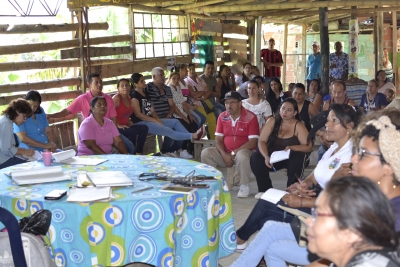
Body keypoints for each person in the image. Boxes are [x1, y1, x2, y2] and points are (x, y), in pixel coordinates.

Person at [235, 104, 359, 254]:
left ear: (349, 127)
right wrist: (304, 185)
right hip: (316, 200)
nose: (327, 124)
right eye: (328, 120)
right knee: (264, 219)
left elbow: (339, 201)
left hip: (325, 213)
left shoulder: (351, 157)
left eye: (334, 120)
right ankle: (265, 253)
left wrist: (301, 201)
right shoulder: (334, 147)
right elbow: (315, 175)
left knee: (265, 204)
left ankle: (239, 239)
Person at [47, 73, 135, 154]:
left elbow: (113, 118)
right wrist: (52, 115)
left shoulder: (108, 99)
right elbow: (67, 111)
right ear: (89, 85)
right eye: (96, 83)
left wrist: (112, 132)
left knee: (130, 147)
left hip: (107, 130)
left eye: (100, 82)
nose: (100, 85)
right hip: (92, 133)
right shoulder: (83, 100)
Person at [250, 98, 312, 199]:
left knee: (298, 157)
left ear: (295, 112)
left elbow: (308, 146)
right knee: (255, 157)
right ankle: (265, 190)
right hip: (274, 157)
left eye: (289, 110)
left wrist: (293, 147)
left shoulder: (298, 125)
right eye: (283, 108)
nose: (285, 112)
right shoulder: (272, 121)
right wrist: (266, 156)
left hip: (291, 157)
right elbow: (261, 141)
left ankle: (292, 190)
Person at [201, 91, 259, 198]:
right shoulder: (222, 116)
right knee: (206, 153)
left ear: (240, 103)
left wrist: (232, 153)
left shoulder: (251, 117)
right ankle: (212, 183)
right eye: (226, 103)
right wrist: (224, 155)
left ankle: (244, 185)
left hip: (244, 153)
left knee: (242, 155)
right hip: (226, 153)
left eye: (232, 102)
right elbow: (218, 139)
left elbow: (252, 143)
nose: (228, 105)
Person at [130, 73, 199, 156]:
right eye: (142, 81)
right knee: (169, 130)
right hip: (142, 122)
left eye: (144, 80)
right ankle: (192, 136)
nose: (144, 82)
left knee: (175, 122)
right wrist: (155, 121)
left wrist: (158, 120)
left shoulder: (145, 94)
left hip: (151, 120)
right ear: (135, 84)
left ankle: (186, 140)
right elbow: (138, 115)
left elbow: (153, 111)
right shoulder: (134, 96)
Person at [112, 79, 149, 155]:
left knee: (144, 128)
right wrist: (117, 124)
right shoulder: (116, 98)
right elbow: (109, 113)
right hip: (115, 128)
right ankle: (131, 154)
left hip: (125, 125)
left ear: (130, 87)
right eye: (122, 86)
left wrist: (129, 120)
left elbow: (126, 113)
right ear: (118, 88)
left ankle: (139, 152)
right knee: (132, 132)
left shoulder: (129, 98)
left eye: (127, 85)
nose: (125, 87)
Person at [168, 72, 199, 158]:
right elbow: (174, 107)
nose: (176, 80)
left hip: (183, 113)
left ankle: (190, 147)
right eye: (173, 78)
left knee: (194, 125)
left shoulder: (178, 88)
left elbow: (183, 103)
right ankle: (183, 150)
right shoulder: (169, 89)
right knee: (187, 127)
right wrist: (184, 118)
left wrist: (189, 115)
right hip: (176, 115)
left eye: (178, 78)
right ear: (169, 79)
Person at [185, 63, 217, 140]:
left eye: (193, 69)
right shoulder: (186, 81)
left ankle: (213, 141)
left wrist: (202, 96)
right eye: (190, 69)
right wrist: (203, 92)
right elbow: (192, 94)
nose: (192, 71)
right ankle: (196, 139)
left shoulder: (200, 79)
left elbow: (208, 91)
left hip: (205, 102)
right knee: (203, 117)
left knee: (212, 119)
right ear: (187, 71)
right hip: (195, 104)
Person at [0, 99, 34, 169]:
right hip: (3, 160)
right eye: (24, 117)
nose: (24, 120)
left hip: (5, 158)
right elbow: (6, 149)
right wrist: (24, 152)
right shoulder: (6, 123)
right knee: (31, 167)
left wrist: (23, 150)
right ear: (17, 111)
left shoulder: (8, 121)